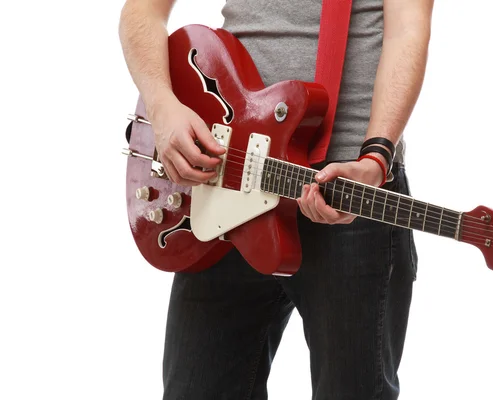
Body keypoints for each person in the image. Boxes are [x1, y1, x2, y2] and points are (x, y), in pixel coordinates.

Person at [119, 0, 433, 398]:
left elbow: (407, 28)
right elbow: (142, 11)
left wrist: (376, 157)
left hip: (348, 196)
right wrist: (163, 106)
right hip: (225, 182)